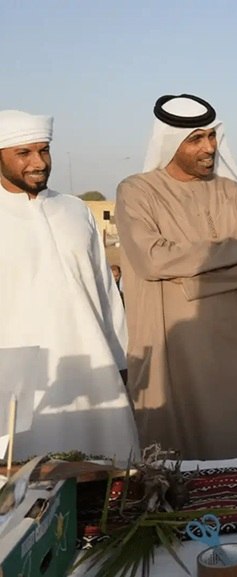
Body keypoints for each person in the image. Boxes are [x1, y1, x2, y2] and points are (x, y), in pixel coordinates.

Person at [115, 94, 237, 460]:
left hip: (233, 341)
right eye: (196, 139)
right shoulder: (137, 191)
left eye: (212, 137)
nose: (209, 148)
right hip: (172, 344)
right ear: (171, 142)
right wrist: (233, 249)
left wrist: (190, 282)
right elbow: (152, 259)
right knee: (176, 453)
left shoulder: (234, 194)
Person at [0, 110, 138, 460]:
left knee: (108, 471)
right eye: (24, 153)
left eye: (44, 151)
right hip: (15, 377)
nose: (39, 162)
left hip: (92, 365)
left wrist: (119, 358)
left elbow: (105, 292)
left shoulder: (75, 210)